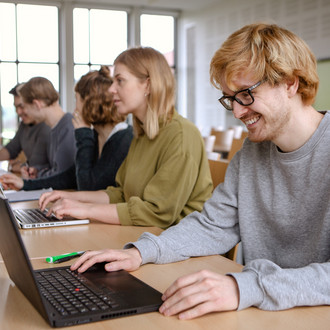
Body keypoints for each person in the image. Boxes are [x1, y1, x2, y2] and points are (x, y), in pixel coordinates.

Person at [69, 23, 329, 319]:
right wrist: (141, 252)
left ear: (290, 83)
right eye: (231, 99)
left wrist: (244, 287)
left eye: (246, 94)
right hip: (268, 311)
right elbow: (213, 226)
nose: (238, 112)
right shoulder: (251, 154)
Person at [39, 46, 213, 229]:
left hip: (180, 246)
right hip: (147, 237)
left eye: (120, 81)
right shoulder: (142, 134)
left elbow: (157, 213)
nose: (112, 89)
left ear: (148, 85)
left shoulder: (181, 135)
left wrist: (86, 209)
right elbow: (121, 194)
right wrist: (70, 197)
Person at [0, 67, 133, 191]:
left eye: (77, 100)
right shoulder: (97, 137)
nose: (75, 109)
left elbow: (86, 187)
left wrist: (84, 134)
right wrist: (25, 184)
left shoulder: (122, 139)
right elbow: (69, 177)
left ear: (90, 103)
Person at [0, 77, 76, 189]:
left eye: (25, 107)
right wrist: (37, 172)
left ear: (37, 104)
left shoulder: (68, 128)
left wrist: (28, 182)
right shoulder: (56, 127)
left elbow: (62, 178)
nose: (22, 112)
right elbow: (55, 171)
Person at [0, 83, 50, 173]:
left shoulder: (47, 126)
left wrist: (20, 166)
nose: (18, 112)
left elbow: (35, 165)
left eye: (21, 106)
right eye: (16, 107)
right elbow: (11, 149)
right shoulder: (24, 125)